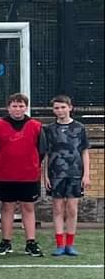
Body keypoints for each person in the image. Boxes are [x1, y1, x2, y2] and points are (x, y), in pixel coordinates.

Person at [0, 92, 46, 257]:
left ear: (26, 107)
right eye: (14, 106)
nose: (18, 109)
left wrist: (30, 163)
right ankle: (6, 241)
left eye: (21, 106)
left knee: (28, 207)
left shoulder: (36, 125)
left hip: (29, 175)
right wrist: (2, 162)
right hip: (6, 175)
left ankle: (31, 242)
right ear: (8, 107)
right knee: (7, 207)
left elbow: (41, 151)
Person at [44, 95, 91, 256]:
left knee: (72, 209)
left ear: (70, 107)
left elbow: (84, 151)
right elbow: (47, 155)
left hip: (75, 174)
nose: (60, 110)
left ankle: (70, 244)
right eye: (57, 108)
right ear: (53, 110)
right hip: (55, 174)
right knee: (57, 209)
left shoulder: (79, 127)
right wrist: (46, 176)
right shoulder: (49, 129)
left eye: (63, 107)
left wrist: (87, 174)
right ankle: (59, 244)